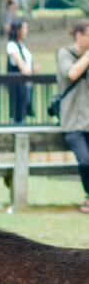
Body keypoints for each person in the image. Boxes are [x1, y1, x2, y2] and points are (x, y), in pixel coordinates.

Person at [55, 18, 89, 214]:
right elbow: (72, 74)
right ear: (79, 35)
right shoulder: (64, 54)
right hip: (72, 122)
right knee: (85, 161)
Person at [6, 19, 39, 124]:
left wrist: (32, 69)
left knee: (24, 110)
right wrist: (27, 70)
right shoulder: (12, 45)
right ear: (18, 30)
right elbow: (22, 66)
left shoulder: (21, 44)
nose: (26, 30)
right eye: (25, 27)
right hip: (18, 85)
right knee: (18, 112)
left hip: (26, 85)